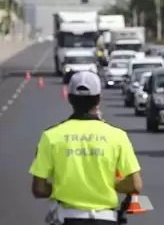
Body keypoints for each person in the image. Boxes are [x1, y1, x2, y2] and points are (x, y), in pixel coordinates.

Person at [29, 71, 143, 225]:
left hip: (66, 218)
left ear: (69, 98)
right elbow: (135, 185)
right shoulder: (118, 136)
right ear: (99, 99)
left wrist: (64, 187)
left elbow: (39, 189)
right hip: (106, 219)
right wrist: (106, 183)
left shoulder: (51, 136)